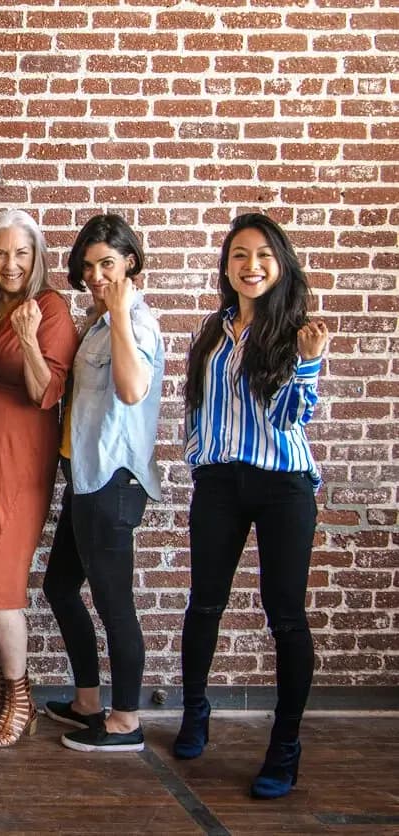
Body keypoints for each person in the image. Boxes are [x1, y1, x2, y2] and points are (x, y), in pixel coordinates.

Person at [177, 213, 329, 799]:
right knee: (204, 603)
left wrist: (309, 364)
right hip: (220, 482)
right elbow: (198, 404)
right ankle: (195, 712)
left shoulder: (296, 332)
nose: (251, 265)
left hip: (283, 484)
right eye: (239, 254)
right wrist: (199, 458)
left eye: (263, 255)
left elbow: (290, 419)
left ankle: (285, 747)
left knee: (285, 616)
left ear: (280, 264)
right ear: (226, 266)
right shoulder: (213, 331)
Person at [42, 214, 165, 753]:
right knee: (59, 587)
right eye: (88, 266)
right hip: (86, 476)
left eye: (107, 264)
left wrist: (116, 314)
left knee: (115, 604)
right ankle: (87, 702)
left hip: (113, 481)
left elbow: (133, 389)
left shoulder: (135, 322)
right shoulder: (98, 321)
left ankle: (126, 721)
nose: (95, 275)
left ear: (129, 263)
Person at [0, 210, 77, 748]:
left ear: (37, 258)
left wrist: (27, 338)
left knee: (0, 584)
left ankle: (21, 698)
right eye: (1, 252)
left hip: (19, 460)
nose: (10, 264)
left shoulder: (49, 308)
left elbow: (44, 392)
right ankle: (1, 693)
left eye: (21, 253)